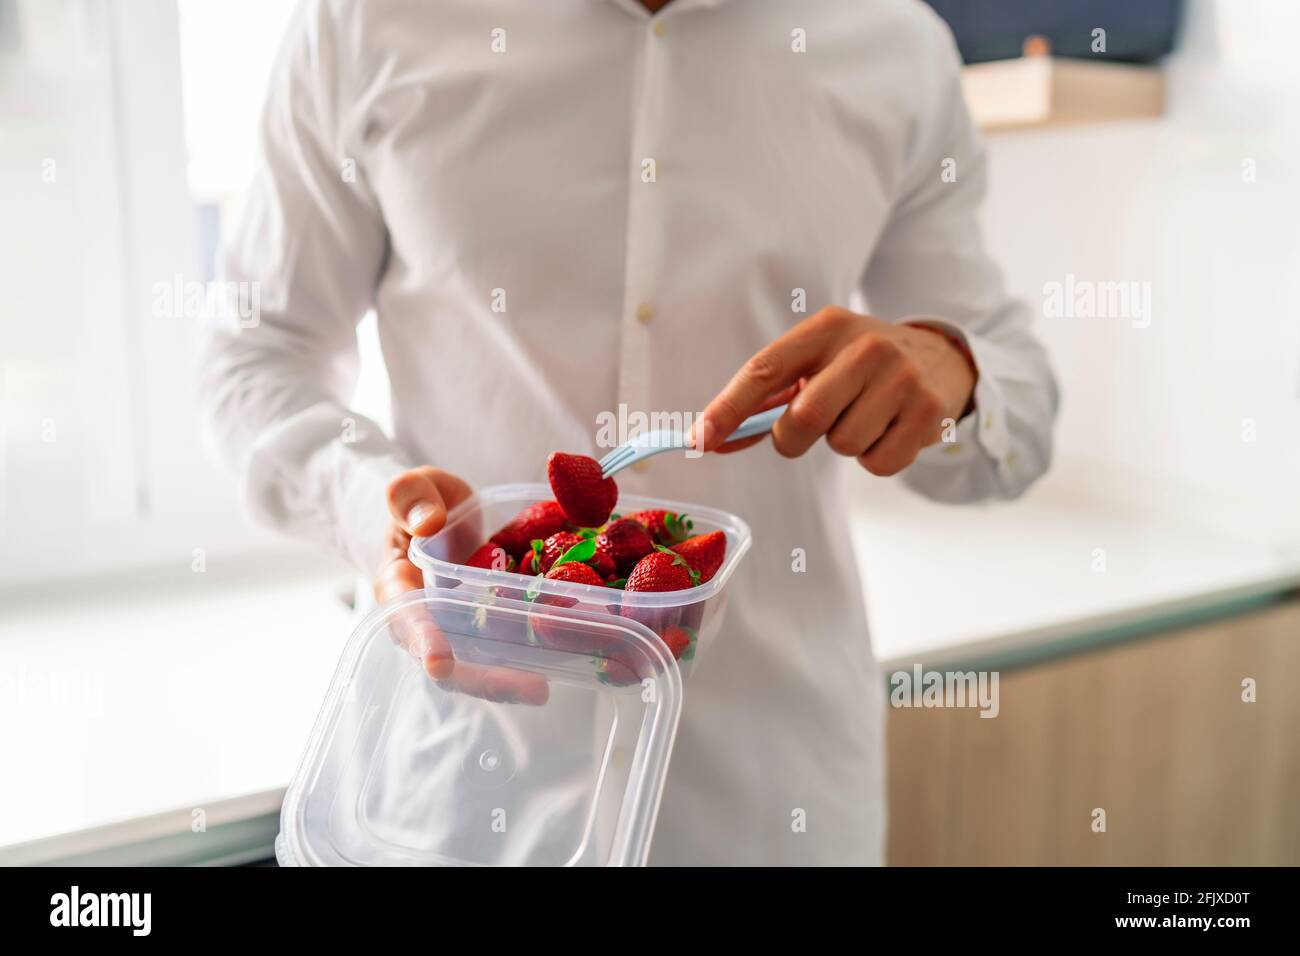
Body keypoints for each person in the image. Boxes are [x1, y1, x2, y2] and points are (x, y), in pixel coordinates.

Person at [200, 0, 1058, 865]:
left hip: (774, 801)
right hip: (467, 792)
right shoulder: (363, 23)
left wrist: (954, 371)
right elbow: (255, 356)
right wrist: (368, 506)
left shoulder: (893, 42)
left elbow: (1016, 417)